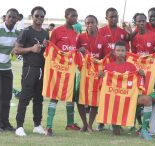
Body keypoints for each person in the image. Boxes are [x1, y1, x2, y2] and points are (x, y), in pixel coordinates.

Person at [99, 41, 153, 140]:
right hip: (114, 101)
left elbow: (139, 84)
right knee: (117, 134)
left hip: (129, 98)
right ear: (114, 52)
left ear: (126, 52)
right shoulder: (108, 66)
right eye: (118, 50)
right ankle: (115, 124)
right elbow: (102, 86)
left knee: (147, 99)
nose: (120, 53)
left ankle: (144, 130)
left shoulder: (132, 66)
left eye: (122, 51)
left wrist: (143, 75)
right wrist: (100, 76)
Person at [13, 6, 49, 137]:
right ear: (32, 16)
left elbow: (45, 52)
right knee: (24, 98)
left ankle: (37, 125)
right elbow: (16, 50)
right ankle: (19, 127)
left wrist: (45, 47)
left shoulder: (45, 33)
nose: (39, 18)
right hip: (29, 69)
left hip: (41, 68)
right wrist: (31, 49)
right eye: (37, 16)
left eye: (41, 16)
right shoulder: (26, 31)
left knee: (39, 99)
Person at [45, 8, 81, 136]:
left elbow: (73, 50)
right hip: (58, 70)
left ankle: (70, 124)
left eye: (76, 16)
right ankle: (48, 126)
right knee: (54, 96)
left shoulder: (75, 32)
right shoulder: (56, 31)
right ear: (66, 16)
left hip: (70, 71)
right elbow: (51, 48)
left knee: (70, 97)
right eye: (73, 16)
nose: (75, 18)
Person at [76, 15, 108, 132]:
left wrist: (102, 70)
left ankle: (90, 125)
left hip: (96, 74)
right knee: (80, 99)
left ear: (96, 23)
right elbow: (74, 52)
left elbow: (106, 58)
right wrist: (79, 50)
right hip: (84, 73)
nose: (90, 25)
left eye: (92, 22)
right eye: (87, 23)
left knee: (95, 100)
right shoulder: (80, 37)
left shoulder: (103, 39)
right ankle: (84, 124)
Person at [0, 8, 19, 132]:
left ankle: (6, 123)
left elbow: (17, 50)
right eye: (10, 16)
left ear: (17, 19)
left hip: (6, 68)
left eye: (14, 17)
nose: (12, 19)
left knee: (7, 96)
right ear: (5, 17)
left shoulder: (17, 33)